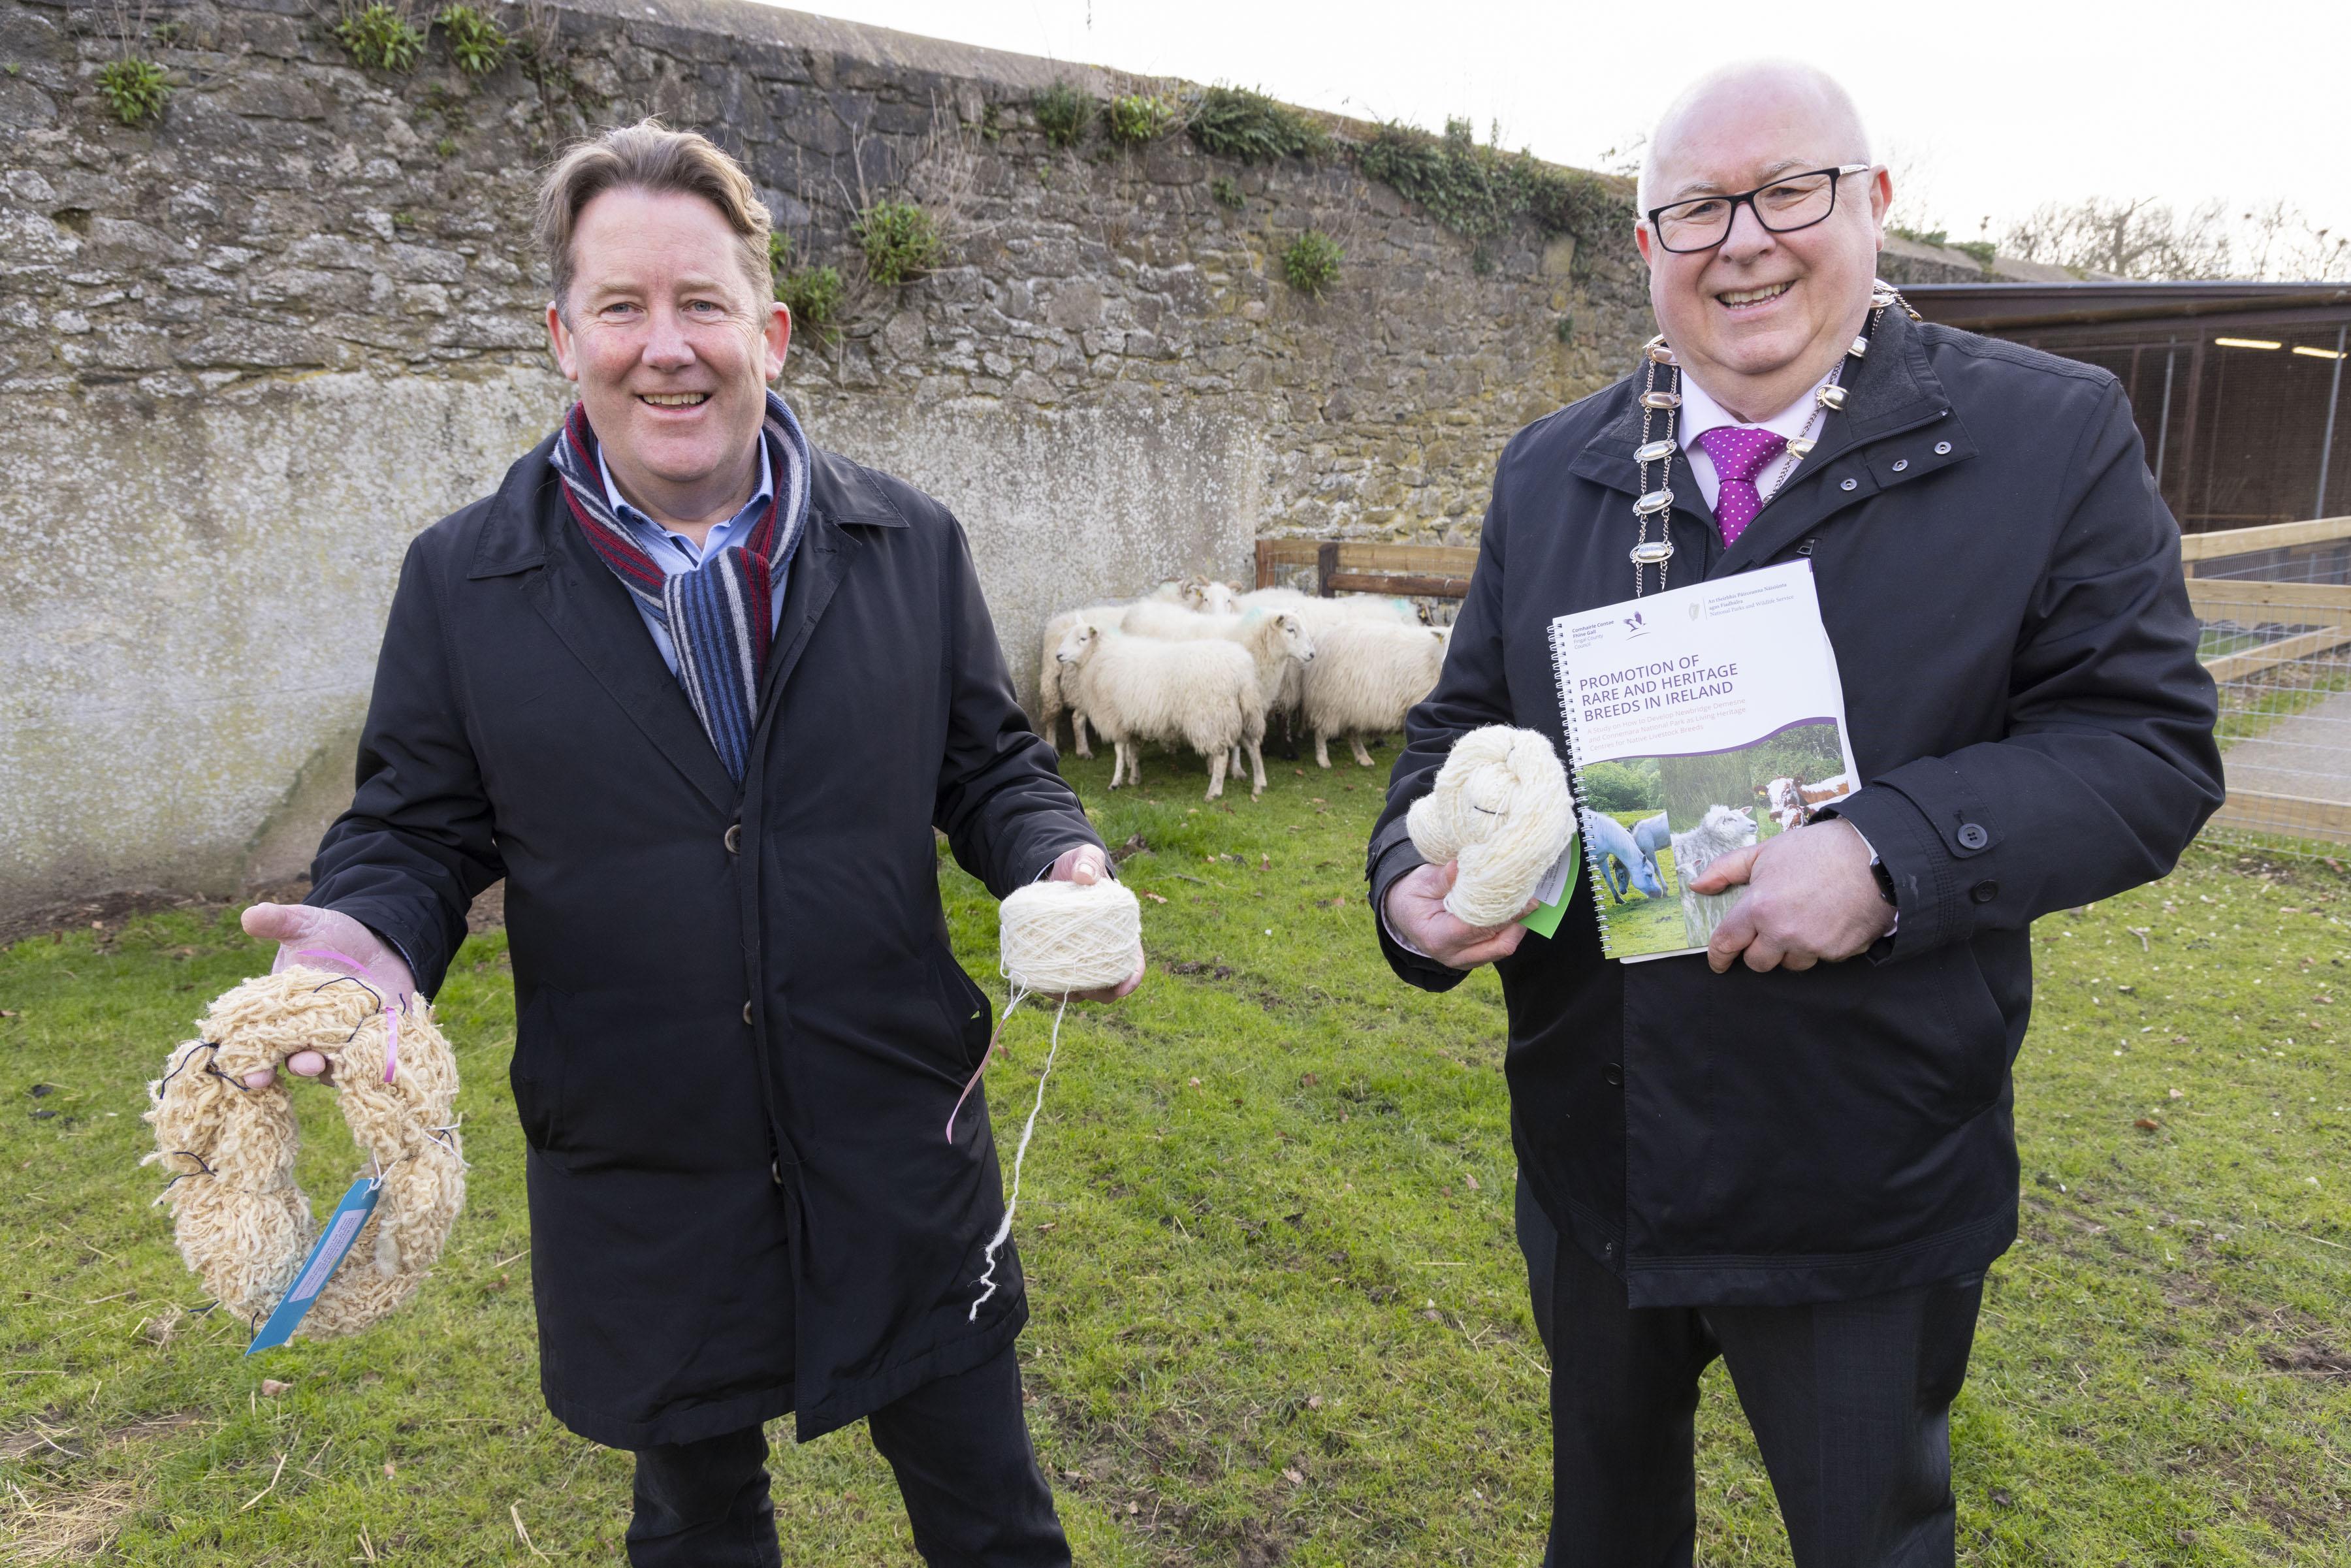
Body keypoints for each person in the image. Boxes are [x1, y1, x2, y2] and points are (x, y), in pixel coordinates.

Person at [238, 120, 1139, 1567]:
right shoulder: (463, 582)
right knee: (699, 1523)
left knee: (994, 1518)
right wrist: (364, 944)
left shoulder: (910, 545)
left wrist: (1057, 856)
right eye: (622, 307)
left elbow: (991, 767)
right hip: (646, 1162)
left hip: (898, 1140)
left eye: (704, 304)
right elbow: (413, 822)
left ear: (768, 330)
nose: (668, 348)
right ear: (561, 334)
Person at [1368, 62, 2222, 1567]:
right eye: (1694, 206)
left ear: (1875, 203)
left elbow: (2145, 749)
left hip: (1860, 1162)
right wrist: (1411, 881)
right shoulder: (1555, 469)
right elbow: (1459, 734)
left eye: (1789, 191)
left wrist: (1891, 854)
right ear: (1647, 245)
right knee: (1606, 1534)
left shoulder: (2047, 439)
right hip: (1598, 1143)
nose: (1742, 239)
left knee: (1867, 1538)